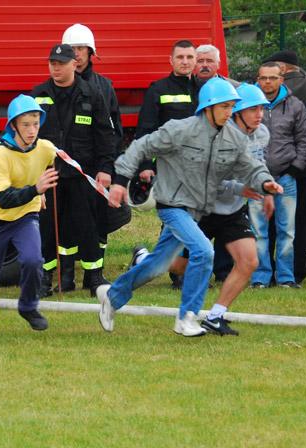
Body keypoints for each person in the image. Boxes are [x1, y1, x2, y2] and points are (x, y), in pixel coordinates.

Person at [96, 78, 282, 336]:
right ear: (208, 107)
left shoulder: (233, 138)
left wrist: (266, 183)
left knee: (157, 266)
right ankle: (187, 317)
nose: (230, 112)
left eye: (232, 106)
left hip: (196, 211)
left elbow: (250, 166)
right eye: (225, 106)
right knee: (204, 252)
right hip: (171, 205)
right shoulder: (180, 129)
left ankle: (112, 296)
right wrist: (119, 182)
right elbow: (140, 146)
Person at [171, 84, 271, 335]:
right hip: (201, 206)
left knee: (249, 261)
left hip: (233, 211)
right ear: (236, 112)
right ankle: (144, 259)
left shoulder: (262, 134)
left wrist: (266, 190)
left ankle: (215, 316)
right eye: (252, 109)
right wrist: (240, 188)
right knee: (176, 266)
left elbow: (257, 168)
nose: (259, 114)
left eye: (261, 108)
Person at [31, 44, 119, 297]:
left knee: (88, 227)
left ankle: (94, 280)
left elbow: (105, 134)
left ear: (73, 64)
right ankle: (44, 280)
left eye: (61, 63)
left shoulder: (92, 94)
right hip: (50, 174)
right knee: (46, 229)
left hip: (83, 175)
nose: (55, 68)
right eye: (52, 63)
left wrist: (105, 169)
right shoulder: (38, 95)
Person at [0, 95, 58, 336]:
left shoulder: (46, 147)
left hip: (25, 216)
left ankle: (28, 307)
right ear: (13, 126)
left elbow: (53, 163)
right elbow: (3, 199)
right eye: (26, 125)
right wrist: (36, 189)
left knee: (33, 260)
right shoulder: (1, 154)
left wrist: (41, 191)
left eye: (36, 123)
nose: (32, 131)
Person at [61, 23, 127, 288]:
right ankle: (65, 278)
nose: (76, 54)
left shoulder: (103, 87)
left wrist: (108, 167)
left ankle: (94, 276)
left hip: (94, 168)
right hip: (66, 168)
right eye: (72, 49)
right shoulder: (57, 86)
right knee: (64, 223)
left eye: (80, 48)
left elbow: (112, 132)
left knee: (99, 221)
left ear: (90, 52)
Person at [131, 40, 199, 286]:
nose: (185, 61)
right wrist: (145, 165)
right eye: (180, 57)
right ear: (171, 61)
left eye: (189, 57)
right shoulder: (158, 89)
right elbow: (145, 131)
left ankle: (158, 263)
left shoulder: (203, 89)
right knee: (177, 218)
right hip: (169, 168)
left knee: (191, 220)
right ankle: (176, 273)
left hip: (198, 168)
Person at [262, 49, 306, 285]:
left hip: (274, 172)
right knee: (302, 222)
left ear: (283, 69)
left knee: (267, 225)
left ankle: (266, 274)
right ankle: (301, 272)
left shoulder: (269, 95)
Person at [248, 61, 306, 288]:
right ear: (257, 79)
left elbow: (305, 139)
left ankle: (285, 277)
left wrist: (295, 168)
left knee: (287, 231)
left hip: (286, 177)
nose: (267, 82)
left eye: (272, 78)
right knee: (259, 232)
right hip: (256, 179)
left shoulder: (295, 106)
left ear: (282, 79)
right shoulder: (249, 106)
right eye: (263, 78)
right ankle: (260, 277)